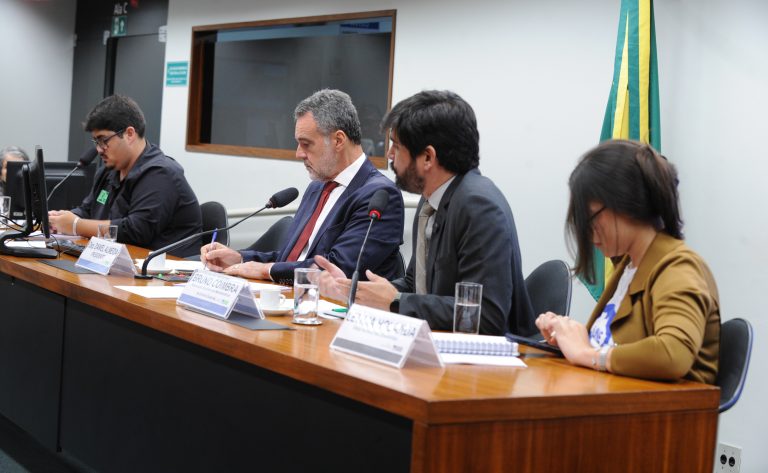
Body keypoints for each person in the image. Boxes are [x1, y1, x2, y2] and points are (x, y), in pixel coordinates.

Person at [317, 90, 536, 336]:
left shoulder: (479, 206)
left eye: (396, 146)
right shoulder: (431, 199)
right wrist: (356, 289)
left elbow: (483, 316)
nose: (389, 155)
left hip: (489, 355)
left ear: (428, 157)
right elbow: (416, 284)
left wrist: (395, 301)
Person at [535, 139, 720, 383]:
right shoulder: (628, 265)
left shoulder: (678, 266)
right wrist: (569, 338)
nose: (587, 232)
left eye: (589, 218)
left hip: (657, 407)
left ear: (622, 203)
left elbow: (673, 353)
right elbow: (611, 347)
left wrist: (586, 354)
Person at [201, 89, 404, 284]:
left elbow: (337, 269)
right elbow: (292, 258)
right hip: (292, 297)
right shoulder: (317, 187)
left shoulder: (379, 195)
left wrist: (265, 270)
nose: (299, 153)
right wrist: (240, 259)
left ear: (338, 140)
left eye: (306, 144)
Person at [48, 95, 202, 256]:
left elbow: (136, 231)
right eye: (96, 142)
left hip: (166, 266)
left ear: (129, 134)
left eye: (104, 140)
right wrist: (60, 219)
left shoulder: (161, 173)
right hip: (119, 261)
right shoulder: (108, 172)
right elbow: (88, 211)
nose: (99, 149)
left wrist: (75, 225)